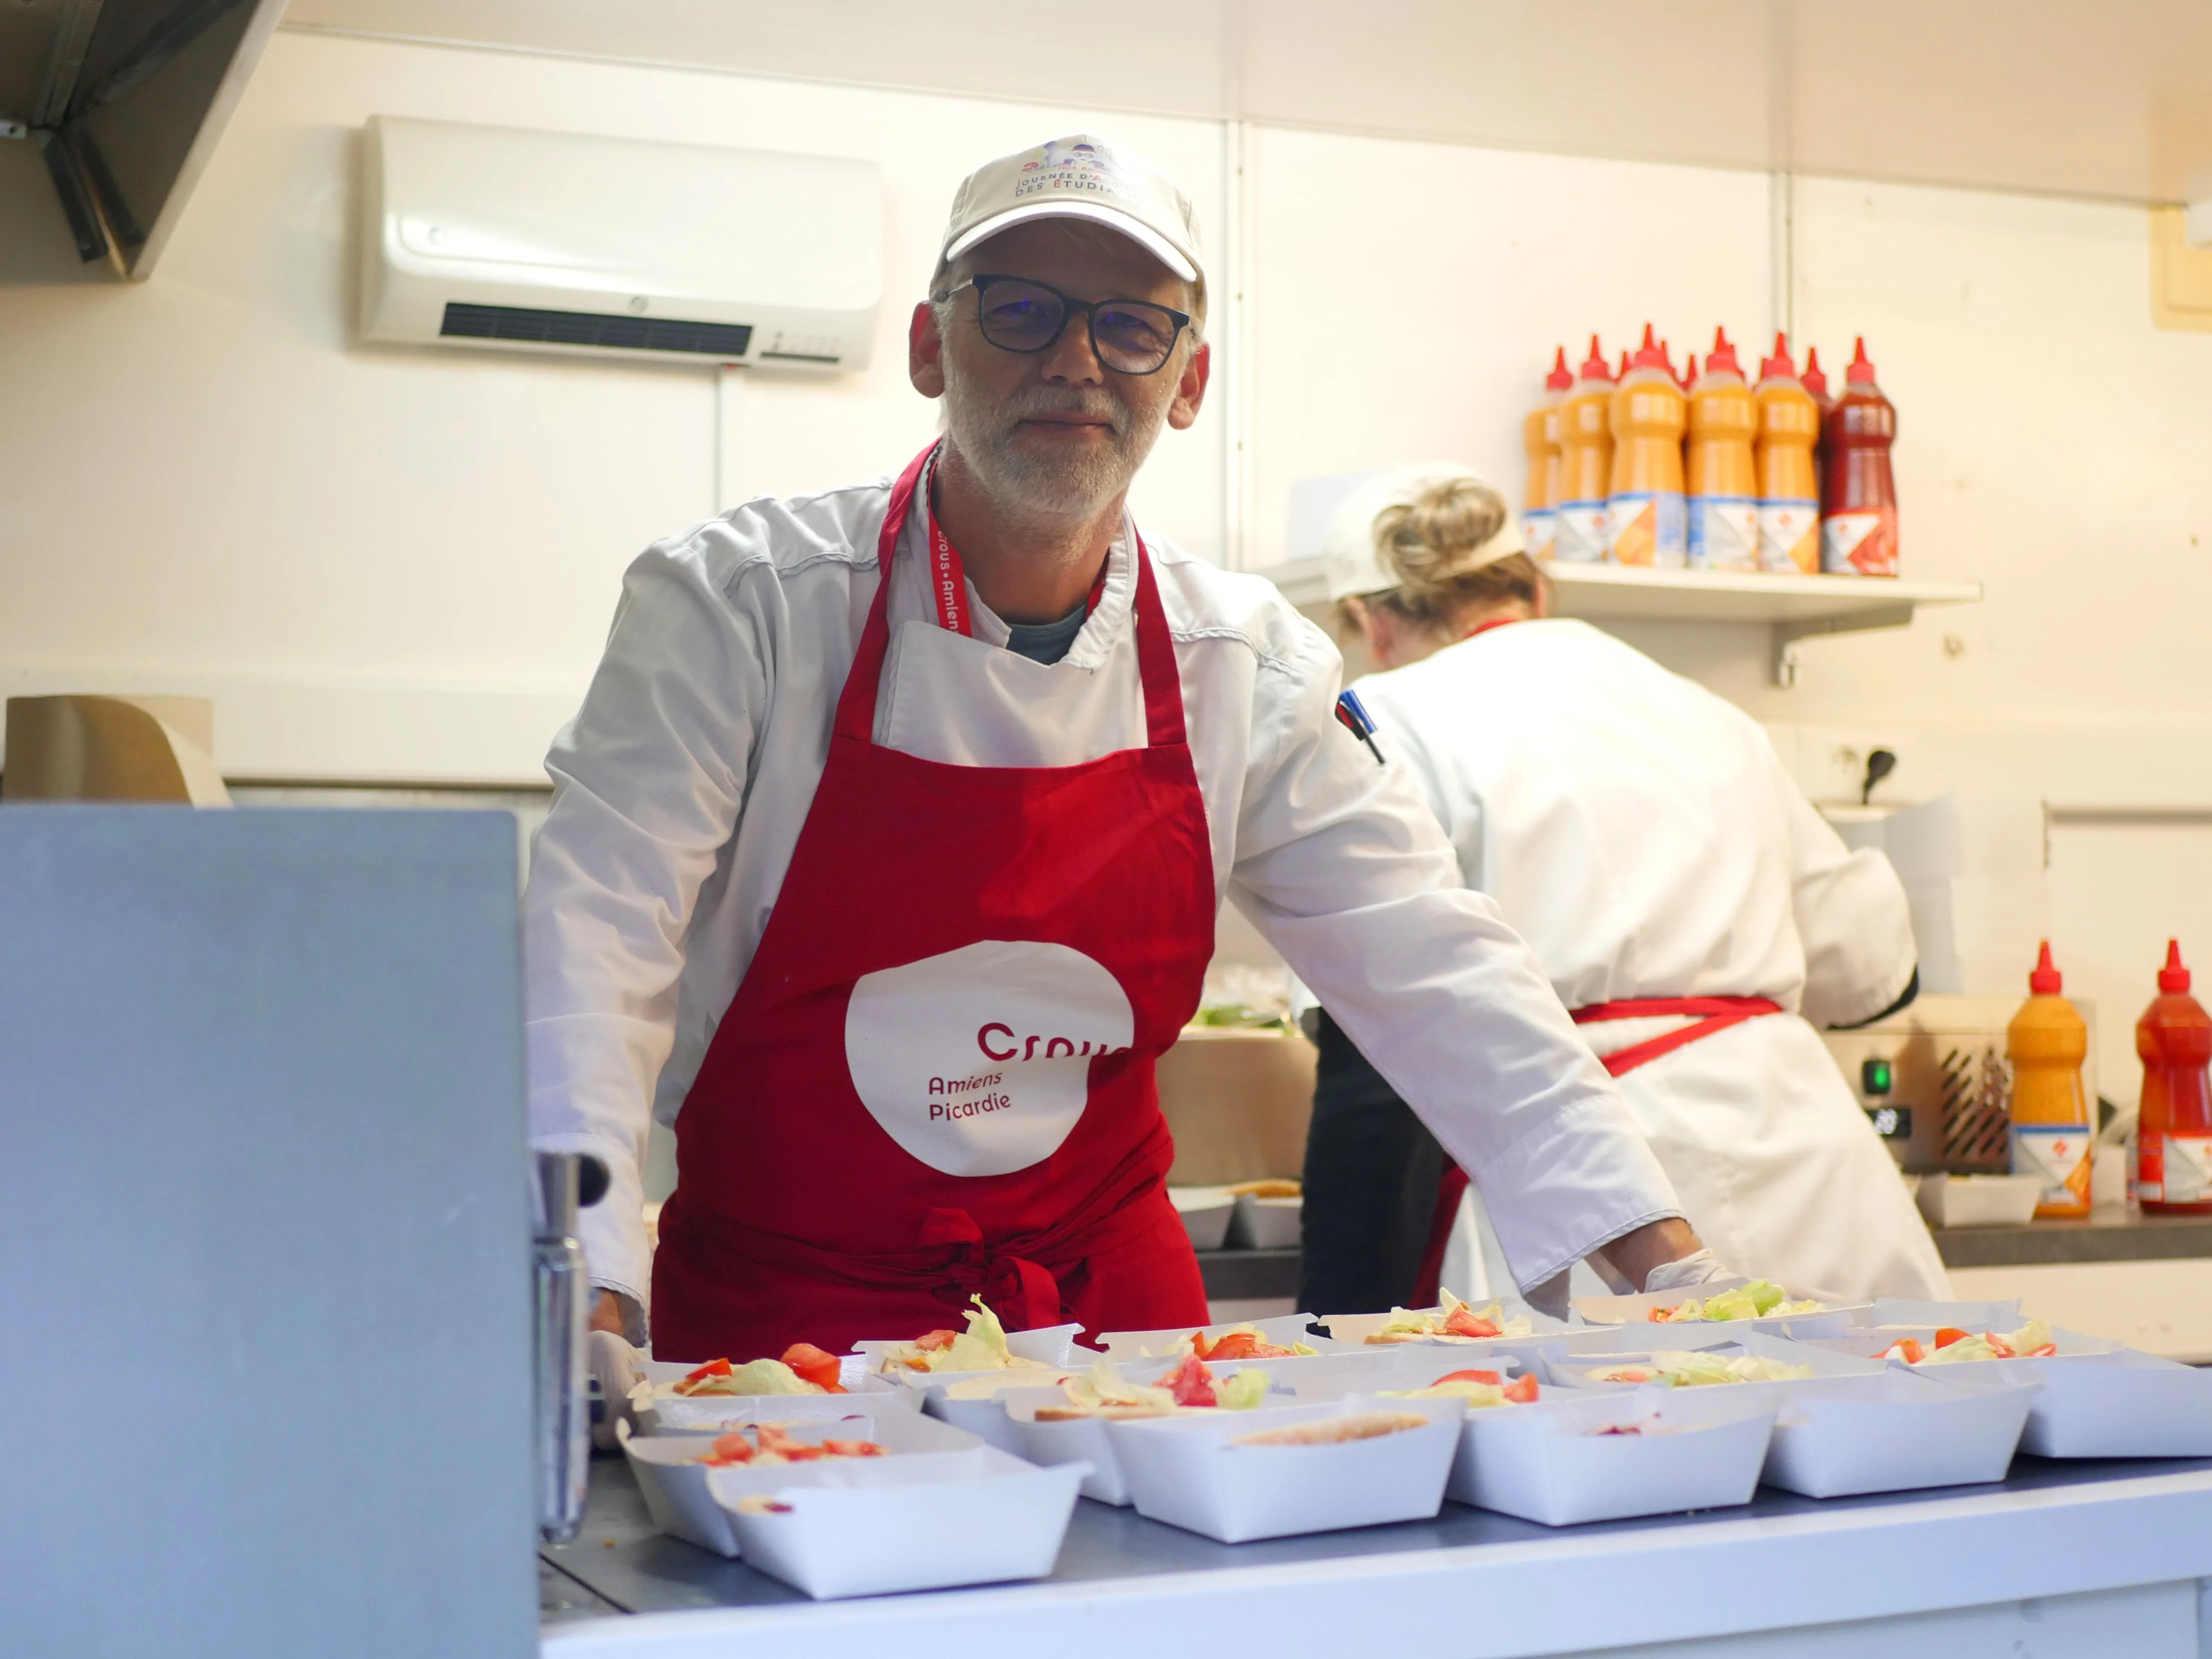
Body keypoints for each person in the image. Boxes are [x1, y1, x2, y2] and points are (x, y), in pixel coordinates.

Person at [523, 135, 1722, 1363]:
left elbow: (1430, 958)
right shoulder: (741, 606)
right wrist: (585, 1284)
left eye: (1131, 327)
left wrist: (1653, 1248)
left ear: (1187, 379)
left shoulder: (1245, 662)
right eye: (1023, 309)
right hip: (791, 1325)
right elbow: (592, 943)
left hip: (1115, 1331)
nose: (1076, 361)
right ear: (933, 346)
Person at [1300, 463, 1947, 1313]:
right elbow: (1868, 966)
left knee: (1628, 1430)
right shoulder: (1704, 710)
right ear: (1537, 587)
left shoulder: (1387, 712)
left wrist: (1334, 1312)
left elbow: (1371, 1032)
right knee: (1892, 1423)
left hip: (1590, 1179)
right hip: (1809, 1163)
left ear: (1365, 620)